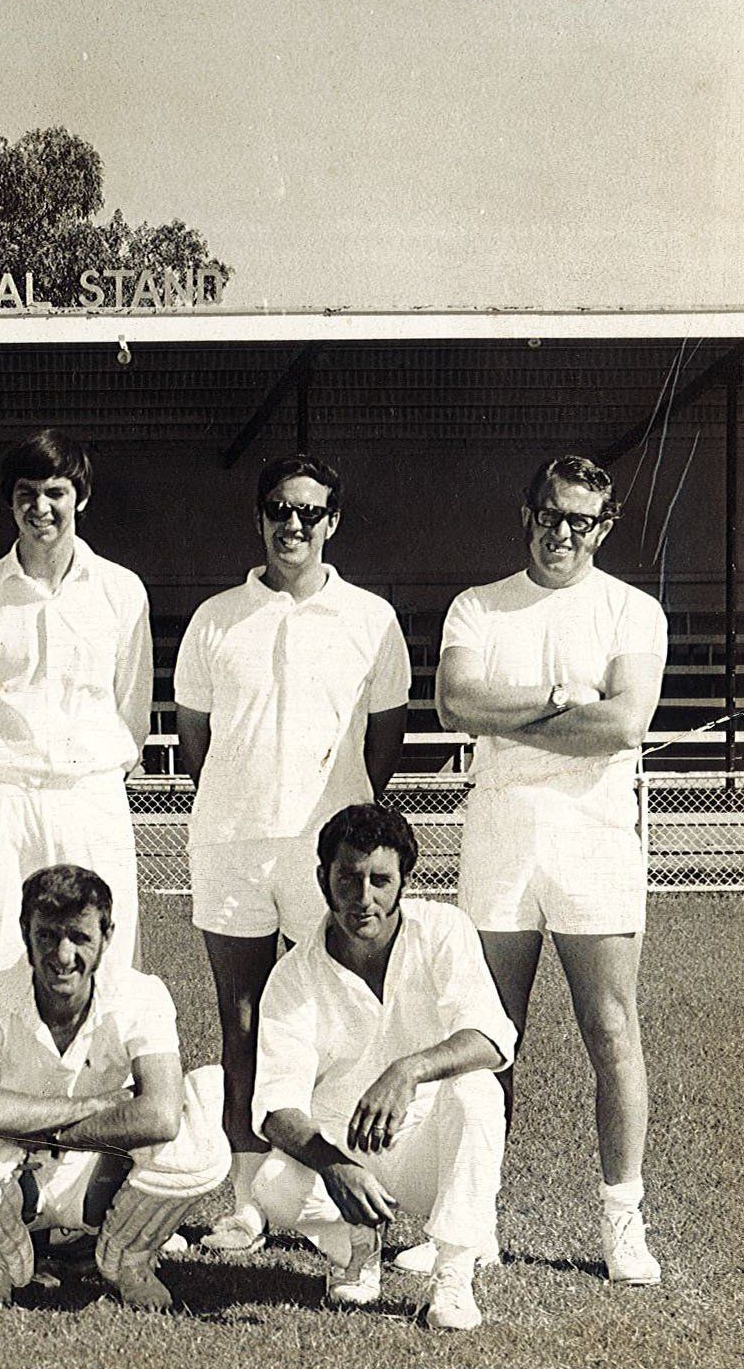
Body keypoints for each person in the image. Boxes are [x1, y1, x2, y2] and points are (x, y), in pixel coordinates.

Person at [434, 455, 667, 1285]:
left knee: (611, 1029)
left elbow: (625, 723)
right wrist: (566, 701)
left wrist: (520, 711)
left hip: (594, 836)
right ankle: (472, 1217)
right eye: (550, 514)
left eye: (582, 520)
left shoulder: (632, 611)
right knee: (491, 1038)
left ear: (604, 528)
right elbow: (457, 703)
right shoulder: (479, 606)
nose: (562, 532)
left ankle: (622, 1222)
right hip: (500, 830)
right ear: (526, 512)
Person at [173, 453, 410, 1252]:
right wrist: (247, 801)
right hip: (232, 843)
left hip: (327, 856)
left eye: (310, 512)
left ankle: (339, 1183)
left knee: (336, 1020)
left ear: (333, 522)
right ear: (261, 516)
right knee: (241, 1018)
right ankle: (248, 1195)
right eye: (279, 508)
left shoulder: (371, 619)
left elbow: (385, 739)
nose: (293, 524)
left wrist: (334, 818)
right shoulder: (213, 619)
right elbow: (196, 740)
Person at [0, 864, 226, 1315]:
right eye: (48, 936)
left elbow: (161, 1114)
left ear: (107, 936)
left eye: (80, 937)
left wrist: (46, 1131)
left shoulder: (143, 994)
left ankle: (128, 1261)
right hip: (12, 1176)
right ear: (24, 931)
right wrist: (93, 1105)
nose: (63, 954)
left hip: (101, 1175)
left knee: (200, 1138)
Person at [253, 803, 517, 1332]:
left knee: (479, 1091)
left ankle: (453, 1273)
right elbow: (275, 1109)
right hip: (346, 1149)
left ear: (403, 882)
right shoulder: (293, 974)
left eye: (380, 880)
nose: (364, 898)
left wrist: (408, 1070)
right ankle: (356, 1245)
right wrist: (334, 1166)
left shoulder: (443, 929)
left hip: (427, 1152)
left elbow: (493, 1039)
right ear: (322, 879)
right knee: (273, 1182)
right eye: (348, 878)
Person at [0, 429, 153, 981]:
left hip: (90, 798)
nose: (41, 508)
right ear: (10, 502)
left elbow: (132, 706)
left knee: (106, 967)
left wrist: (94, 771)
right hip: (2, 801)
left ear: (80, 496)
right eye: (26, 493)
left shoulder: (122, 591)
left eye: (55, 492)